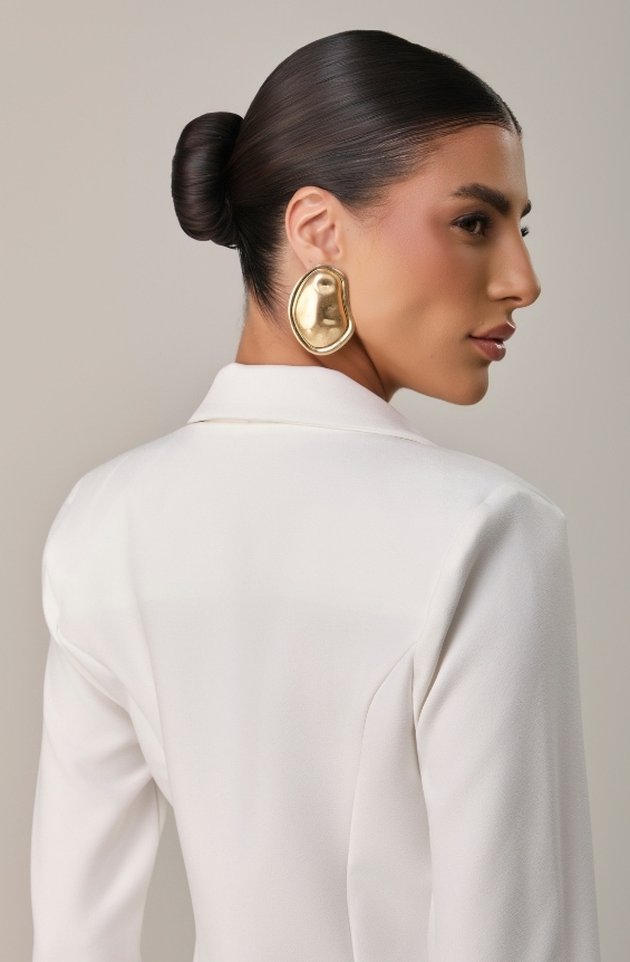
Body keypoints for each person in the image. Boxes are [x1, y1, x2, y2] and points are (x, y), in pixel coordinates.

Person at [30, 29, 600, 962]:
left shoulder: (99, 523)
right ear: (319, 230)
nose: (523, 282)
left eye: (520, 230)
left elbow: (73, 935)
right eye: (474, 222)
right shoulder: (487, 534)